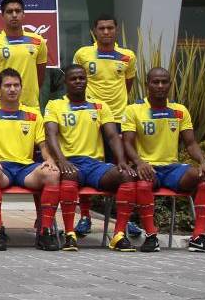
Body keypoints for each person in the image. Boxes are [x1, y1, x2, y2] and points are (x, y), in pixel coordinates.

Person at [122, 67, 205, 253]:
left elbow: (191, 143)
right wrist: (139, 162)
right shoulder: (133, 109)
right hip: (148, 167)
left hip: (172, 169)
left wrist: (204, 162)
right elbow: (127, 143)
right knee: (143, 184)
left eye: (164, 82)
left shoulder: (179, 110)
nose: (160, 86)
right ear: (147, 84)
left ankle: (198, 237)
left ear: (170, 84)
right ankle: (151, 236)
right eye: (155, 82)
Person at [44, 64, 136, 252]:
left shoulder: (100, 106)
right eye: (73, 78)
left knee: (126, 175)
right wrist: (61, 160)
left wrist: (121, 161)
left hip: (95, 166)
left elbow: (112, 136)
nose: (78, 81)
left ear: (87, 80)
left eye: (82, 78)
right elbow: (51, 134)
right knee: (69, 175)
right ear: (66, 82)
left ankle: (118, 235)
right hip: (71, 162)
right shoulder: (55, 105)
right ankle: (70, 234)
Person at [0, 68, 60, 251]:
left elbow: (43, 146)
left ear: (22, 88)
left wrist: (50, 160)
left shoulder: (33, 114)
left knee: (52, 174)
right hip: (1, 167)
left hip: (26, 168)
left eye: (16, 85)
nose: (12, 89)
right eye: (7, 85)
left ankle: (45, 231)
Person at [72, 14, 138, 237]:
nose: (106, 32)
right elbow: (76, 81)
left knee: (120, 168)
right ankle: (85, 217)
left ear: (116, 30)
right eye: (102, 28)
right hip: (89, 118)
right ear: (95, 31)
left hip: (117, 119)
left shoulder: (128, 56)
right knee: (86, 165)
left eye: (110, 28)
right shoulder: (83, 54)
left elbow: (127, 85)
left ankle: (124, 220)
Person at [0, 0, 47, 108]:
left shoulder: (38, 41)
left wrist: (28, 95)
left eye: (18, 11)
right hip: (1, 107)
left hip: (30, 106)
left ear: (23, 14)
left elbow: (40, 78)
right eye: (9, 11)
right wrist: (2, 96)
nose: (14, 15)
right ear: (3, 15)